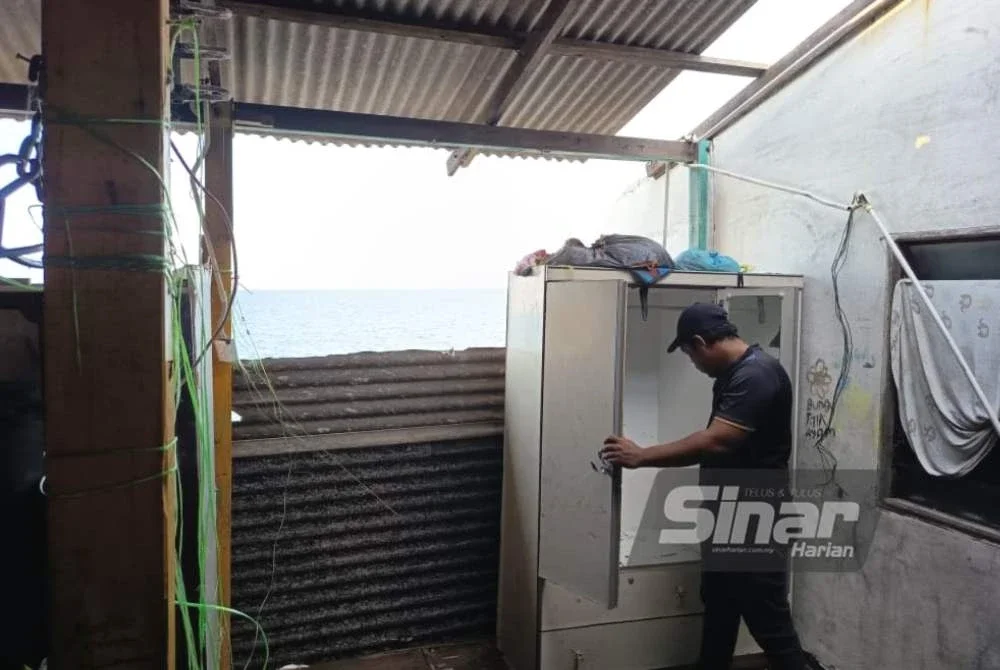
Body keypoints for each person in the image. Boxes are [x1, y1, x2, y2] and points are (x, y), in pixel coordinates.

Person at [599, 302, 808, 670]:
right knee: (721, 603)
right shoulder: (736, 374)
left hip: (754, 518)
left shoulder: (755, 376)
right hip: (730, 513)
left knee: (768, 619)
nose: (693, 364)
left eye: (689, 354)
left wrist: (641, 456)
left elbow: (717, 441)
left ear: (700, 343)